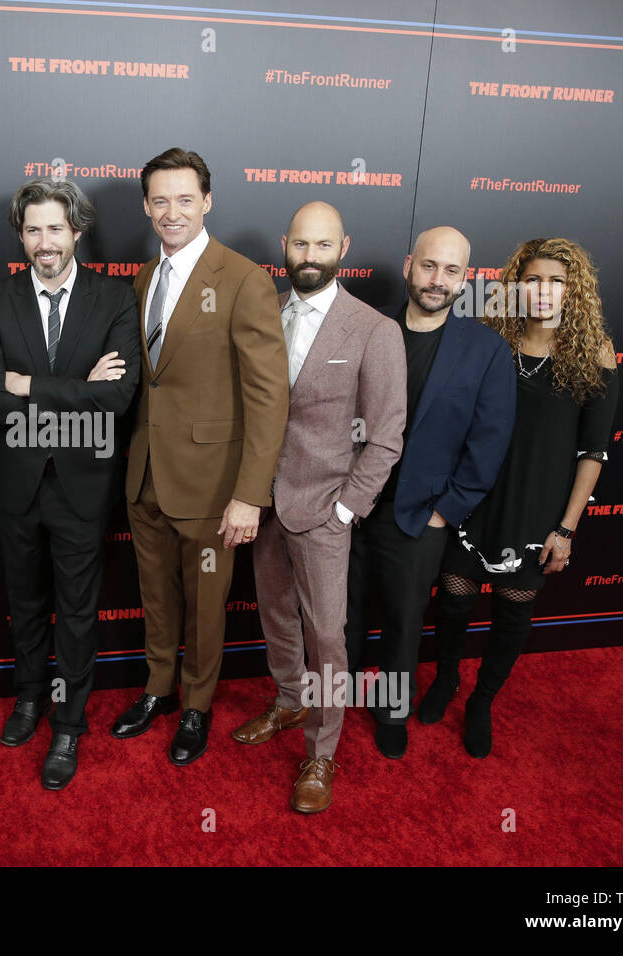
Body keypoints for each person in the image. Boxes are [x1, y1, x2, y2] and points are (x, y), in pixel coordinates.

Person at [113, 147, 287, 766]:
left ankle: (196, 705)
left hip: (215, 486)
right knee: (155, 597)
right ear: (146, 206)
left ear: (207, 202)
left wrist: (251, 493)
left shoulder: (243, 279)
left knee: (206, 605)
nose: (171, 211)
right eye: (159, 200)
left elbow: (269, 397)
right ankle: (158, 690)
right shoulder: (143, 278)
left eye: (185, 199)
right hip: (146, 475)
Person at [0, 178, 141, 790]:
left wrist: (28, 385)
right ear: (21, 234)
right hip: (16, 480)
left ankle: (69, 722)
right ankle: (28, 699)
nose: (46, 241)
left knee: (76, 611)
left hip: (82, 484)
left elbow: (116, 397)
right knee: (24, 605)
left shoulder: (116, 299)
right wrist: (75, 389)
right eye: (34, 229)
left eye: (56, 228)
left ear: (77, 231)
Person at [235, 202, 407, 813]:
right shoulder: (263, 316)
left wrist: (345, 511)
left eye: (323, 246)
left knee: (327, 637)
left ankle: (322, 751)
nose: (310, 257)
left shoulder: (373, 330)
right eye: (301, 245)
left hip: (326, 510)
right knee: (276, 615)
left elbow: (386, 436)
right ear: (285, 245)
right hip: (264, 503)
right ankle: (287, 702)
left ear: (344, 249)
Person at [418, 238, 618, 757]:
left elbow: (592, 454)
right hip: (476, 496)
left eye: (556, 280)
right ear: (516, 287)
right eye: (533, 279)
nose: (544, 290)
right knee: (454, 600)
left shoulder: (594, 355)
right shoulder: (490, 341)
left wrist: (567, 529)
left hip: (537, 507)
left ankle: (482, 700)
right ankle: (445, 680)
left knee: (512, 614)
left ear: (574, 290)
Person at [344, 226, 516, 760]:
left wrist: (445, 512)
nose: (437, 280)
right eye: (429, 266)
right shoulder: (369, 329)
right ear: (408, 265)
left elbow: (490, 443)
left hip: (417, 516)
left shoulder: (484, 350)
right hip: (351, 504)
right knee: (339, 614)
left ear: (465, 279)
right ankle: (334, 699)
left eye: (451, 271)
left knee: (402, 622)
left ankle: (393, 712)